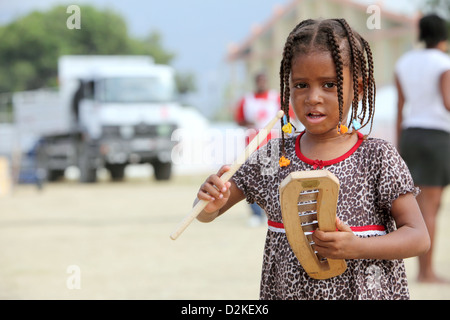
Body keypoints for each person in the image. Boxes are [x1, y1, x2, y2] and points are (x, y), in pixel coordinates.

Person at [195, 18, 430, 299]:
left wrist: (356, 247)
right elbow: (207, 211)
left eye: (329, 84)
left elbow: (418, 237)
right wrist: (209, 201)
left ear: (358, 87)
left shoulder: (376, 157)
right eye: (301, 85)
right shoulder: (273, 156)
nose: (313, 97)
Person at [395, 13, 450, 284]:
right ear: (443, 36)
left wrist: (396, 144)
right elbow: (448, 102)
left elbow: (400, 107)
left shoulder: (404, 62)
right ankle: (426, 272)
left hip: (410, 136)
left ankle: (422, 269)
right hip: (436, 137)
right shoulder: (444, 62)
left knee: (419, 206)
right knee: (430, 208)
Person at [234, 72, 281, 227]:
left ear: (266, 81)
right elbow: (239, 120)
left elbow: (287, 118)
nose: (261, 83)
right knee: (251, 180)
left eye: (263, 80)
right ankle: (255, 214)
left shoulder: (276, 98)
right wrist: (247, 122)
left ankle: (271, 213)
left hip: (272, 144)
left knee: (271, 181)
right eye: (258, 80)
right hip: (252, 144)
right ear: (255, 82)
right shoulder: (247, 100)